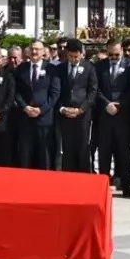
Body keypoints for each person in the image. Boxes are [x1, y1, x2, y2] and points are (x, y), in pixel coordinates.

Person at [14, 41, 61, 170]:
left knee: (44, 157)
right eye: (32, 49)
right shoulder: (21, 69)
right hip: (26, 119)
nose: (34, 52)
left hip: (44, 120)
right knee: (26, 156)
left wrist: (41, 110)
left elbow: (55, 93)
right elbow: (16, 92)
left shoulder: (52, 69)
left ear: (43, 51)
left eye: (37, 49)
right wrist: (25, 107)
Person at [94, 40, 130, 193]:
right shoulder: (99, 66)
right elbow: (95, 88)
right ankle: (103, 185)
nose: (114, 57)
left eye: (117, 54)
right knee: (104, 152)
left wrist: (120, 105)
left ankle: (126, 185)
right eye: (111, 54)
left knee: (124, 152)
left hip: (123, 115)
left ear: (122, 51)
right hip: (105, 115)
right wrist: (106, 104)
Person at [56, 39, 97, 173]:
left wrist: (81, 109)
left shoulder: (89, 67)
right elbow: (56, 91)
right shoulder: (60, 68)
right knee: (67, 147)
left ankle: (84, 176)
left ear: (81, 54)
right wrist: (62, 108)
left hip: (82, 115)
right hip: (65, 114)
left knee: (83, 147)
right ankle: (68, 177)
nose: (73, 59)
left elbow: (92, 91)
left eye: (76, 56)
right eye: (71, 56)